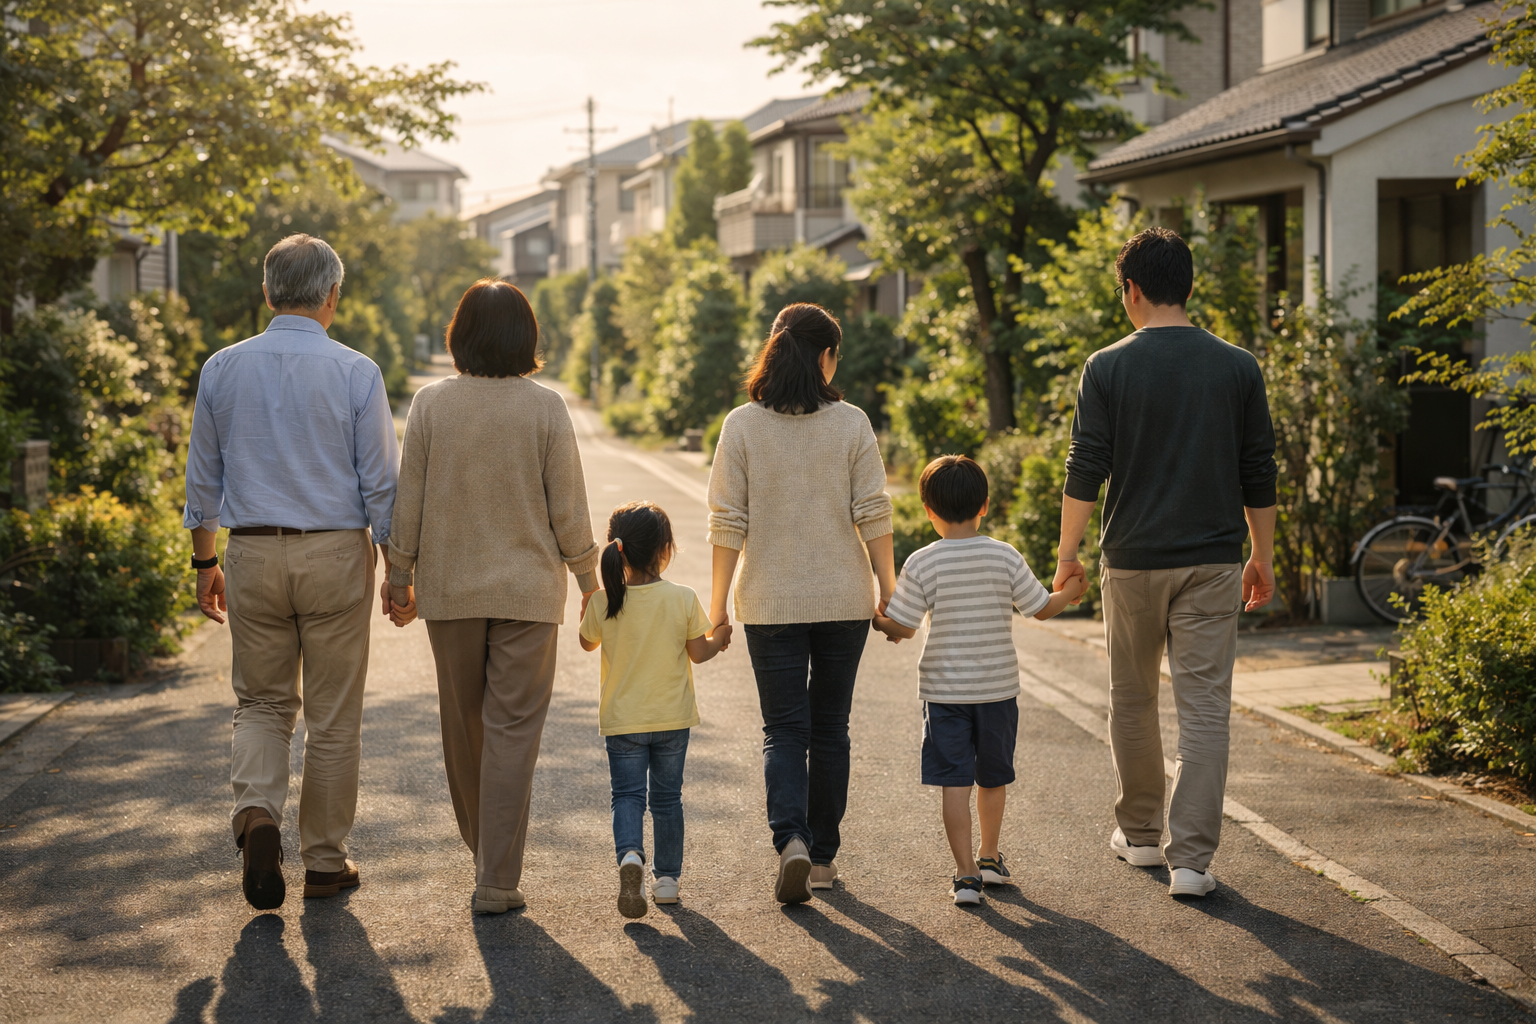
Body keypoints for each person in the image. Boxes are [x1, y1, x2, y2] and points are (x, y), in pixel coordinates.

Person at [184, 233, 412, 912]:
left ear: (267, 292)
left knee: (261, 702)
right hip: (336, 553)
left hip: (252, 550)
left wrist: (205, 561)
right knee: (333, 717)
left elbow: (204, 481)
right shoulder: (356, 371)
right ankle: (324, 861)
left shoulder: (222, 368)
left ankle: (258, 812)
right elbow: (382, 484)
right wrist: (397, 571)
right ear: (332, 297)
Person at [1055, 226, 1277, 898]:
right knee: (1205, 708)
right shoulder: (1238, 365)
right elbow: (1257, 469)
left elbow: (1085, 466)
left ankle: (1143, 836)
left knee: (1132, 699)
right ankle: (1192, 862)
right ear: (1186, 285)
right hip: (1213, 561)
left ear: (1133, 289)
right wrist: (1261, 555)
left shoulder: (1109, 365)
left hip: (1131, 561)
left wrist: (1067, 555)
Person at [387, 278, 600, 914]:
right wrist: (591, 582)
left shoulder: (431, 404)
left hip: (449, 592)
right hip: (529, 593)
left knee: (464, 730)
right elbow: (569, 509)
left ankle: (487, 856)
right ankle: (496, 875)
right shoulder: (546, 408)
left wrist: (399, 575)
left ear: (460, 337)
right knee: (512, 731)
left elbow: (411, 500)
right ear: (525, 338)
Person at [707, 302, 895, 905]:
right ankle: (821, 859)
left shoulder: (741, 425)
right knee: (830, 728)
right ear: (825, 357)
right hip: (843, 598)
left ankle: (789, 838)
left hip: (769, 601)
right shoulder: (852, 423)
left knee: (783, 730)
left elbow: (725, 523)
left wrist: (717, 608)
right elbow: (874, 511)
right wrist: (889, 593)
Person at [873, 455, 1084, 904]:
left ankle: (965, 874)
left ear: (928, 510)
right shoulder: (1004, 555)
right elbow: (1040, 607)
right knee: (992, 777)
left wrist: (879, 622)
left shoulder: (922, 562)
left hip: (944, 694)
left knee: (955, 781)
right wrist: (1070, 593)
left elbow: (904, 627)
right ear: (984, 505)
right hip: (996, 691)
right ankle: (990, 856)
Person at [577, 501, 732, 919]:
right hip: (671, 719)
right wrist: (720, 637)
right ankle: (667, 881)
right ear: (665, 550)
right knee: (667, 800)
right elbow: (699, 653)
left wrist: (590, 607)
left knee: (627, 795)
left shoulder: (603, 601)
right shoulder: (682, 598)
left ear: (617, 549)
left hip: (622, 720)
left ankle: (630, 858)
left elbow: (587, 642)